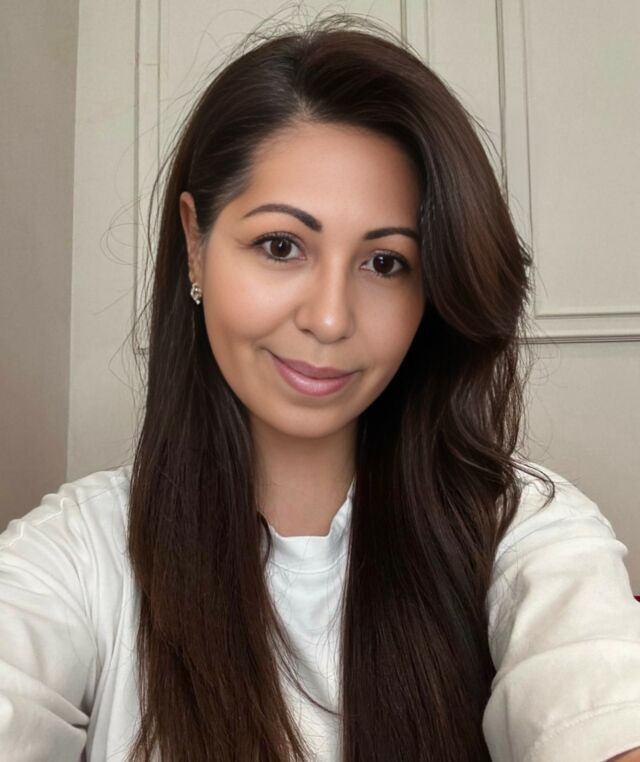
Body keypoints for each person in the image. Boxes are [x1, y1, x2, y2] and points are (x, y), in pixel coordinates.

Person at [1, 12, 639, 762]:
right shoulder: (78, 554)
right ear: (196, 245)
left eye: (385, 263)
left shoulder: (523, 530)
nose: (331, 318)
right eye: (281, 246)